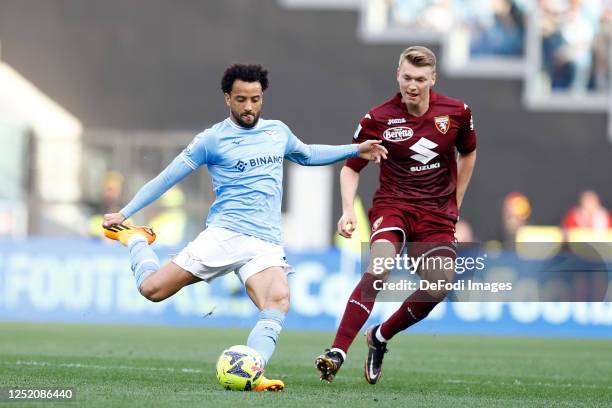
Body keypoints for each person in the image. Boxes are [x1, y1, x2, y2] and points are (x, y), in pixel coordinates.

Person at [102, 64, 387, 392]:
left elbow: (307, 155)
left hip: (265, 242)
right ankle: (137, 240)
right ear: (227, 98)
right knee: (151, 290)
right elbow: (167, 177)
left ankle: (253, 371)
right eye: (241, 99)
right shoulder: (211, 139)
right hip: (224, 235)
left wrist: (356, 149)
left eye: (255, 98)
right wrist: (125, 213)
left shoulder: (277, 132)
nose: (249, 106)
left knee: (278, 300)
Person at [315, 46, 477, 384]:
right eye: (407, 77)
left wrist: (456, 204)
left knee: (438, 285)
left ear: (433, 78)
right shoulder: (378, 118)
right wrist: (347, 211)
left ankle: (379, 337)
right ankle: (336, 351)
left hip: (436, 214)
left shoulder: (457, 113)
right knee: (379, 268)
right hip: (394, 206)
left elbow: (468, 153)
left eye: (420, 78)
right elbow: (350, 167)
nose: (413, 85)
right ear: (397, 76)